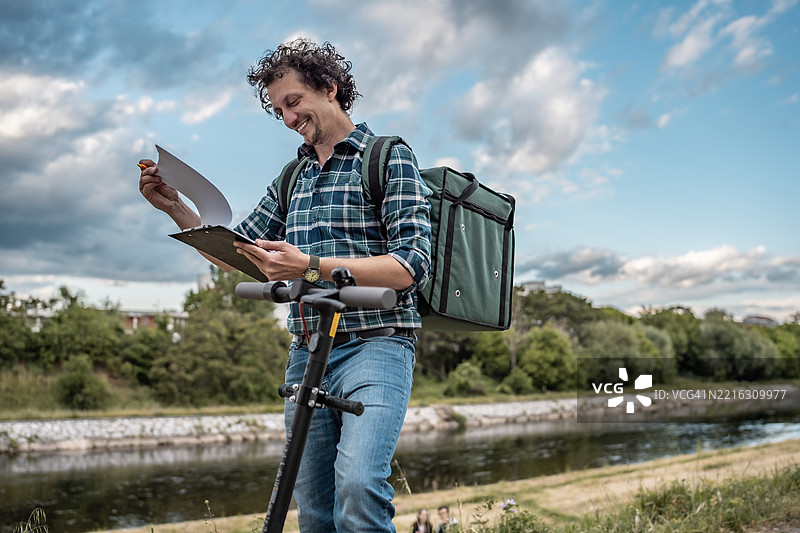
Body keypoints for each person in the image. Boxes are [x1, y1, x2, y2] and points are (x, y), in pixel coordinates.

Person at [138, 38, 432, 533]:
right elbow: (241, 254)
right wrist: (176, 209)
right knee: (313, 506)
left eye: (294, 102)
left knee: (359, 488)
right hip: (308, 348)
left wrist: (310, 265)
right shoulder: (292, 176)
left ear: (329, 89)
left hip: (377, 345)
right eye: (279, 112)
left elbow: (410, 265)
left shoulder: (386, 157)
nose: (290, 118)